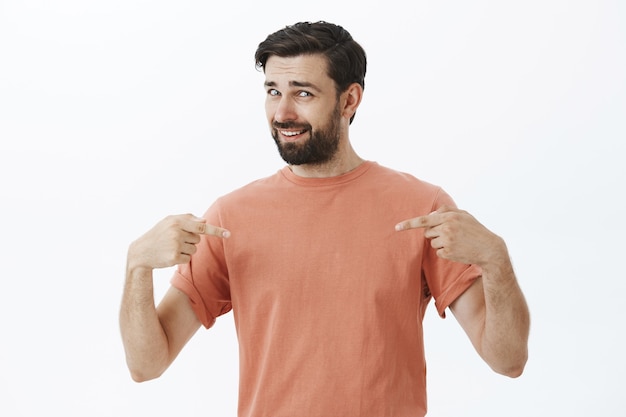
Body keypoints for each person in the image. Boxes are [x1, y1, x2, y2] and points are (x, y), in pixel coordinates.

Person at [120, 21, 530, 417]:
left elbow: (507, 360)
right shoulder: (231, 216)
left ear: (349, 100)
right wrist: (138, 263)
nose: (282, 112)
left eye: (303, 93)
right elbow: (147, 364)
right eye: (273, 91)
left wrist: (496, 260)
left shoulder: (422, 207)